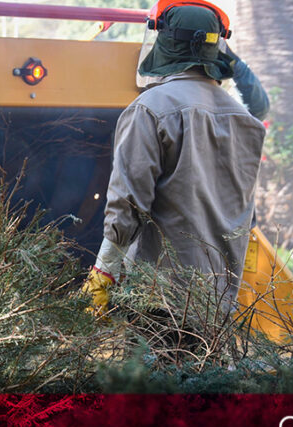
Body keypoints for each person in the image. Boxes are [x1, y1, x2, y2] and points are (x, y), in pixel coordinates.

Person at [81, 0, 267, 316]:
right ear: (216, 49)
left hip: (160, 300)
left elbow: (128, 206)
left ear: (165, 42)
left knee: (155, 365)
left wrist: (104, 275)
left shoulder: (149, 110)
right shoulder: (245, 120)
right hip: (219, 301)